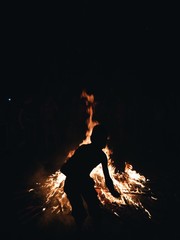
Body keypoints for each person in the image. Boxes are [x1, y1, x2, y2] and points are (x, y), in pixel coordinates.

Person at [60, 124, 120, 232]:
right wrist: (79, 177)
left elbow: (107, 177)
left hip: (83, 183)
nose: (105, 142)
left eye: (106, 139)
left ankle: (96, 233)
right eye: (103, 139)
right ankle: (79, 232)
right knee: (80, 213)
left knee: (95, 211)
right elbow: (64, 168)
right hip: (73, 183)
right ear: (96, 139)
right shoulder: (84, 150)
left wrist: (112, 191)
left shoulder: (101, 155)